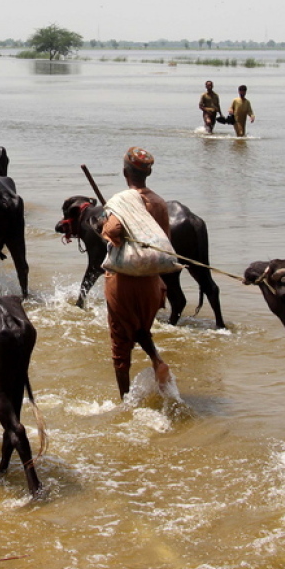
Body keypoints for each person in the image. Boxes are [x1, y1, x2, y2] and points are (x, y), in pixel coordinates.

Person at [101, 147, 173, 399]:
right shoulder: (160, 203)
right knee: (142, 327)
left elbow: (114, 231)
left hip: (124, 283)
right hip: (152, 285)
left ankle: (125, 402)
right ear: (148, 174)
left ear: (125, 173)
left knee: (120, 346)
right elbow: (164, 242)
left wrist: (103, 225)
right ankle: (155, 359)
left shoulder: (121, 201)